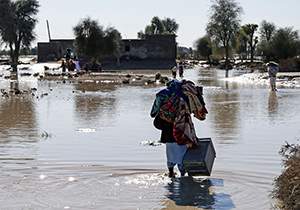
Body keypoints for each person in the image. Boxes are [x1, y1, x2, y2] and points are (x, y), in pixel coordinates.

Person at [150, 80, 208, 178]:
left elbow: (154, 112)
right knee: (182, 150)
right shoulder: (188, 94)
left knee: (170, 150)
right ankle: (182, 173)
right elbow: (197, 112)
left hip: (167, 126)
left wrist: (156, 113)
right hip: (182, 126)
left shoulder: (163, 94)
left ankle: (171, 172)